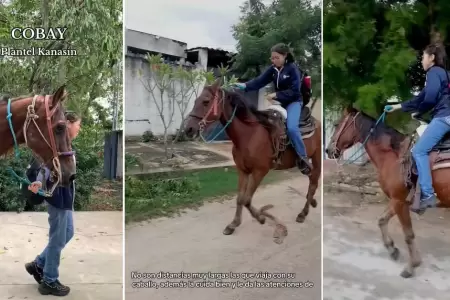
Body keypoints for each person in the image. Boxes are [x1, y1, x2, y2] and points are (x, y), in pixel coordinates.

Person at [384, 43, 450, 214]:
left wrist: (420, 111)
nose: (422, 60)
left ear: (432, 57)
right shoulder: (445, 74)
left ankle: (428, 194)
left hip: (444, 117)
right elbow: (422, 97)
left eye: (423, 56)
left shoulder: (434, 73)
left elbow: (429, 98)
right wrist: (397, 106)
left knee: (419, 151)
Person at [233, 43, 313, 175]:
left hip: (293, 102)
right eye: (272, 58)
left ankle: (303, 157)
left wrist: (276, 94)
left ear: (285, 56)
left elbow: (294, 91)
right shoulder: (273, 69)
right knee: (264, 124)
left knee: (292, 128)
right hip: (278, 103)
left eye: (276, 58)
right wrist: (244, 86)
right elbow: (259, 81)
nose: (274, 60)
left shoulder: (293, 69)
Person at [24, 111, 81, 296]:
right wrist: (39, 182)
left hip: (65, 198)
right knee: (57, 240)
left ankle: (38, 264)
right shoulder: (54, 145)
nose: (79, 128)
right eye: (78, 124)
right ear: (69, 123)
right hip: (57, 198)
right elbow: (44, 167)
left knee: (68, 233)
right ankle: (49, 280)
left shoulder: (65, 145)